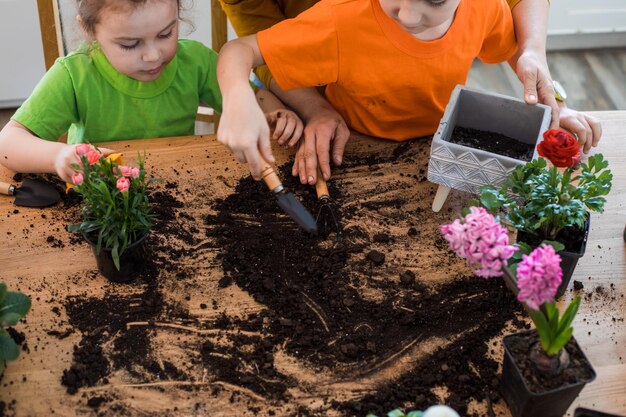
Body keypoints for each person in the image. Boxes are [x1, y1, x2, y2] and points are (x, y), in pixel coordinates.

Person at [216, 0, 602, 182]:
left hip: (439, 147)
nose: (408, 17)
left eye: (433, 0)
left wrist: (556, 106)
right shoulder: (339, 21)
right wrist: (236, 97)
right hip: (354, 147)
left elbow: (518, 51)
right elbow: (241, 50)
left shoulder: (482, 8)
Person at [0, 0, 301, 183]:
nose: (153, 56)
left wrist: (278, 114)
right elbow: (8, 143)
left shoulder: (195, 60)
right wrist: (58, 157)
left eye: (166, 33)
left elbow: (255, 98)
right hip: (109, 196)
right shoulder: (73, 75)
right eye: (130, 44)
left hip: (179, 183)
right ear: (89, 30)